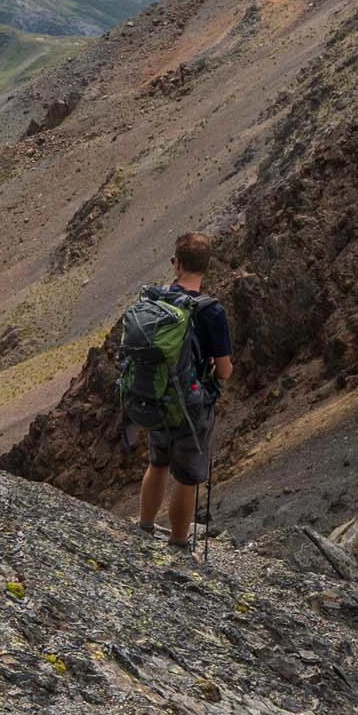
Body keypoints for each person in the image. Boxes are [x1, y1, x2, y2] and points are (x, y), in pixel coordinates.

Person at [135, 232, 233, 550]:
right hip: (191, 403)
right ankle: (178, 543)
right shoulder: (212, 312)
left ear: (176, 264)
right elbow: (225, 369)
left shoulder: (158, 300)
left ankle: (145, 527)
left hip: (157, 395)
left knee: (158, 460)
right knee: (187, 474)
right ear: (206, 267)